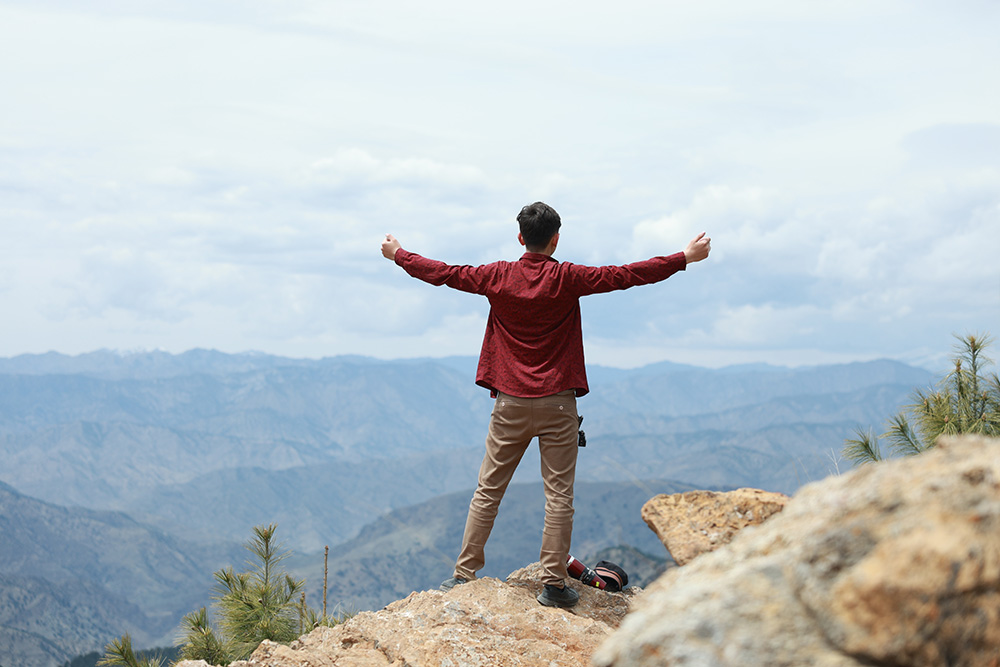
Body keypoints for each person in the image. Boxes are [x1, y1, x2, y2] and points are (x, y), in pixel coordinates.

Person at [380, 202, 711, 608]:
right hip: (558, 403)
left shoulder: (496, 276)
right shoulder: (568, 277)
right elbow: (626, 275)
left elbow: (444, 273)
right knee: (558, 496)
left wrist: (399, 255)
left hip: (510, 404)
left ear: (521, 238)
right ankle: (553, 583)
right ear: (555, 239)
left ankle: (464, 575)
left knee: (488, 490)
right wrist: (684, 258)